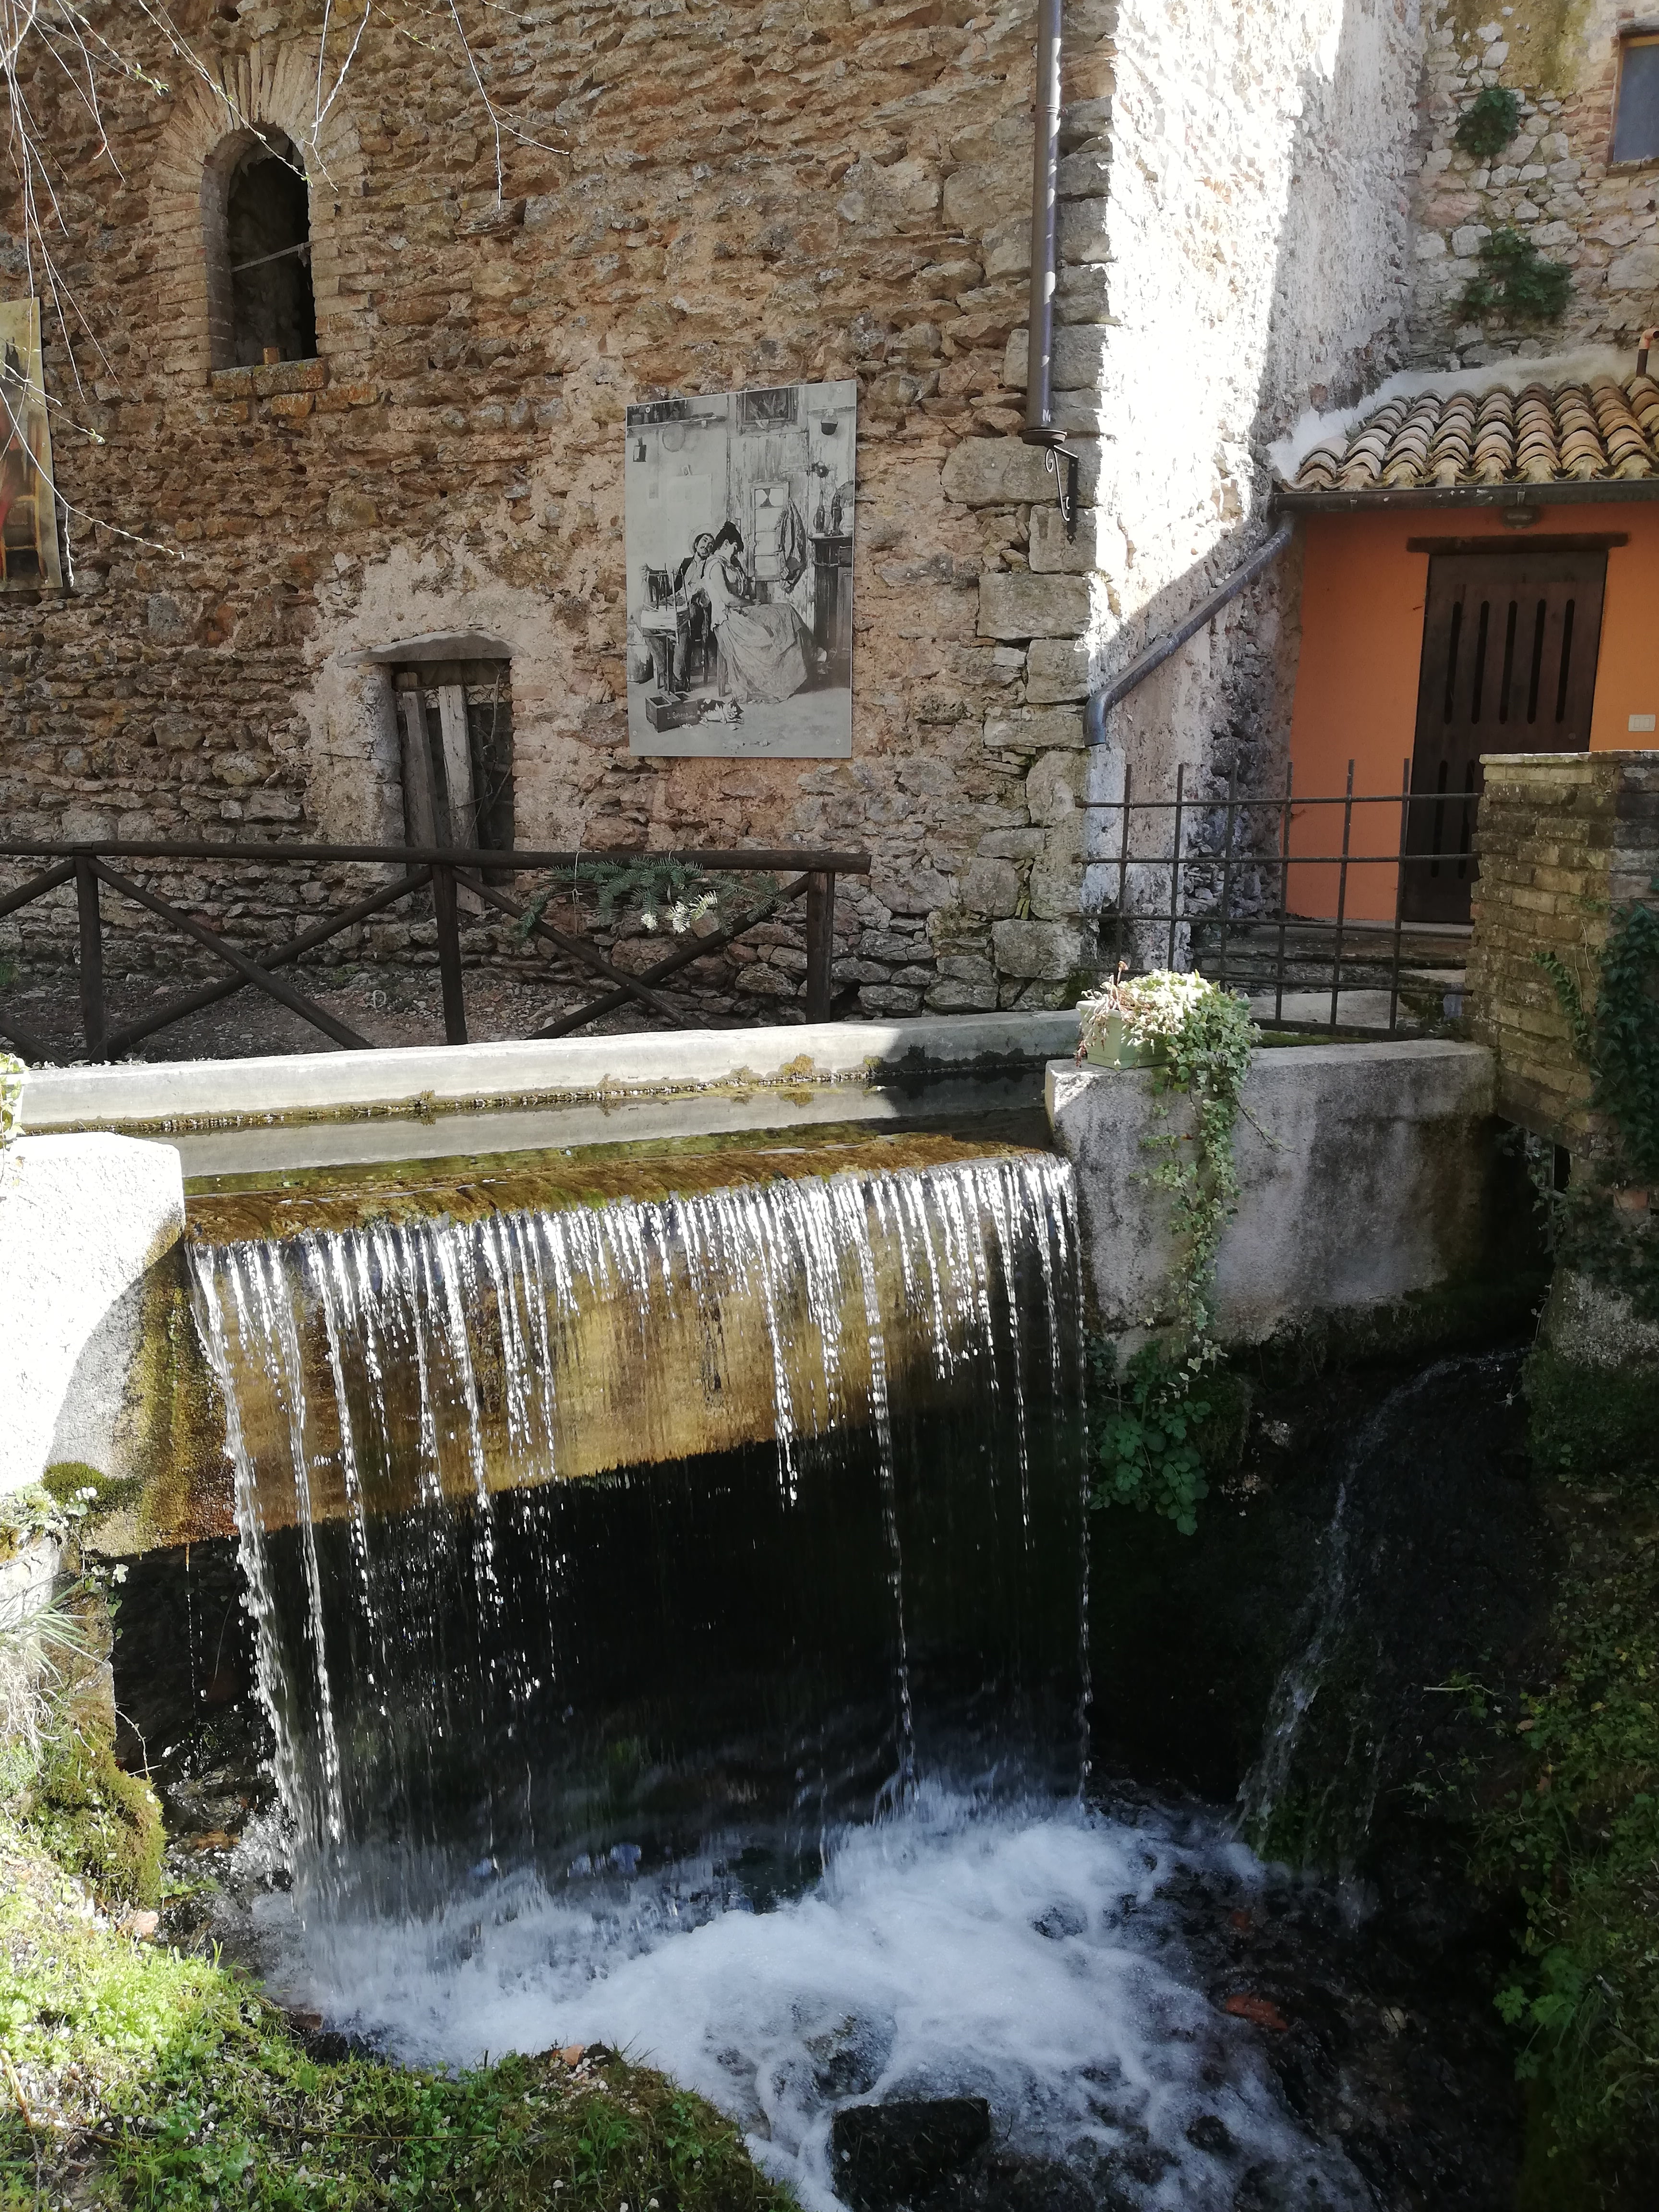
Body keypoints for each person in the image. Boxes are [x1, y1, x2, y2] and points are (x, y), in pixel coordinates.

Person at [678, 524, 809, 705]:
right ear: (725, 544)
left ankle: (806, 659)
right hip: (729, 621)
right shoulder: (715, 564)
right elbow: (728, 599)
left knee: (785, 611)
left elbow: (740, 594)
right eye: (734, 548)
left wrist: (750, 604)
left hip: (742, 613)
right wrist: (750, 604)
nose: (736, 554)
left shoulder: (731, 564)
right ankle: (805, 660)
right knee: (779, 618)